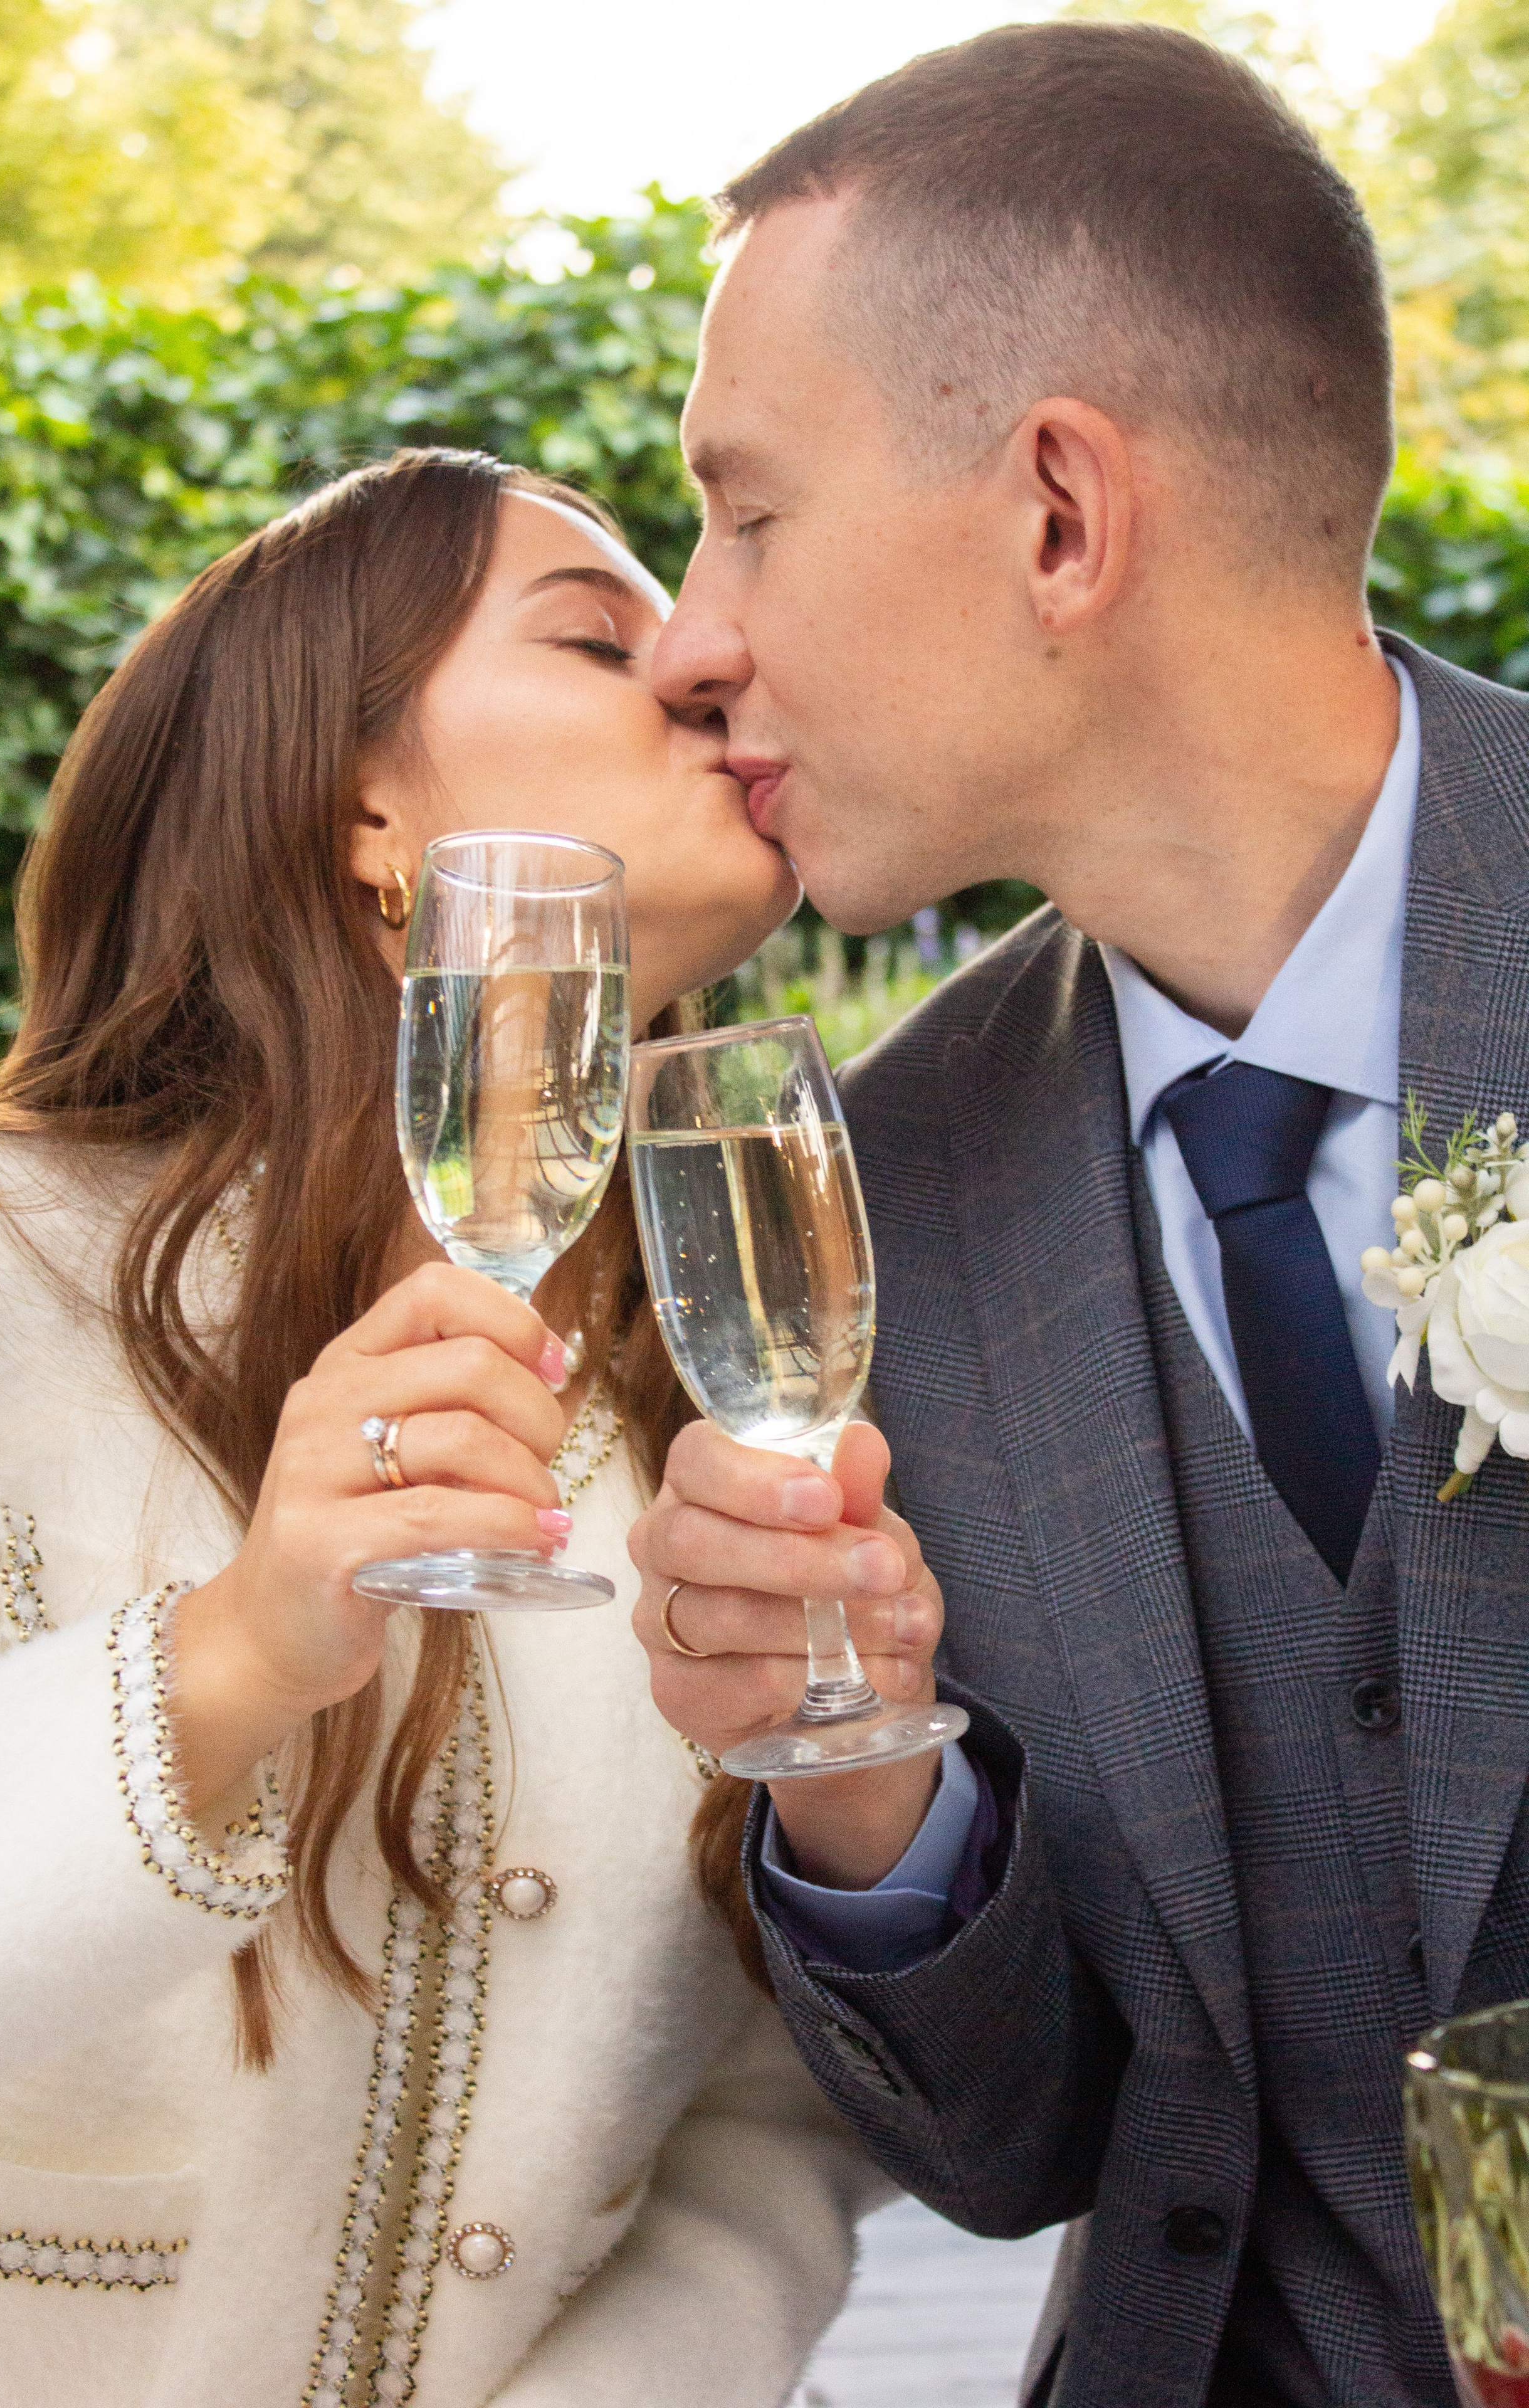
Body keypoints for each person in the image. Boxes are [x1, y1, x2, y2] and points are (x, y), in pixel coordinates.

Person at [628, 22, 1529, 2408]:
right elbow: (1022, 2143)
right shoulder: (875, 1187)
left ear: (1057, 514)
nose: (686, 636)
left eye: (747, 507)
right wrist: (862, 1788)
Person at [0, 446, 887, 2408]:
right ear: (366, 803)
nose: (709, 661)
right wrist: (236, 1654)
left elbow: (767, 2129)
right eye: (596, 632)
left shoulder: (745, 1364)